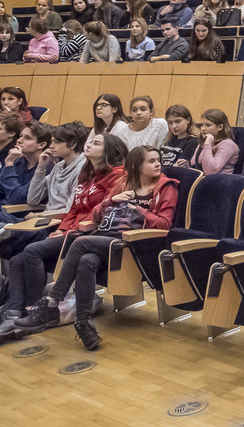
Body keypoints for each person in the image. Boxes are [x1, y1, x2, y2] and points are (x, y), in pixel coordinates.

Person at [4, 141, 175, 349]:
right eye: (152, 161)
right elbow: (95, 215)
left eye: (158, 160)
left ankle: (51, 302)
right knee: (86, 260)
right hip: (106, 236)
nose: (158, 164)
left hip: (135, 243)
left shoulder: (166, 187)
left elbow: (165, 225)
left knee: (80, 241)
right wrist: (111, 200)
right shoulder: (123, 184)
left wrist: (137, 209)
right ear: (137, 166)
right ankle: (83, 323)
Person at [0, 127, 124, 329]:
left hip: (86, 233)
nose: (89, 144)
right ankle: (13, 311)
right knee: (16, 260)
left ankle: (35, 310)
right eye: (90, 141)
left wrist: (66, 229)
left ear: (109, 150)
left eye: (96, 143)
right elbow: (73, 208)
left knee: (31, 251)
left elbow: (101, 212)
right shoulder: (87, 173)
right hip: (67, 229)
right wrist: (63, 229)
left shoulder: (116, 176)